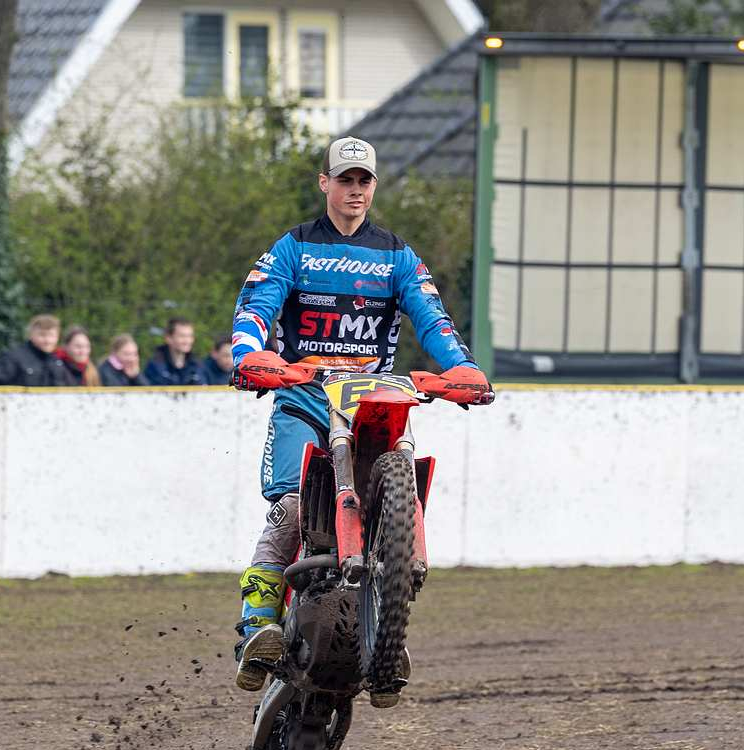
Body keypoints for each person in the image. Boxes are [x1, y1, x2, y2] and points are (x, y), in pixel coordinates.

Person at [228, 135, 493, 702]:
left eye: (363, 180)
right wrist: (250, 354)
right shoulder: (294, 248)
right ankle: (257, 625)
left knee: (402, 496)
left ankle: (386, 630)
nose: (354, 189)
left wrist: (462, 370)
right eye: (344, 178)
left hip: (374, 401)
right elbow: (255, 307)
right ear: (324, 182)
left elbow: (433, 321)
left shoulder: (397, 255)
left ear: (374, 186)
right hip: (304, 396)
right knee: (292, 510)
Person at [0, 314, 72, 387]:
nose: (47, 340)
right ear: (31, 334)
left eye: (51, 335)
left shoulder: (57, 362)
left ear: (58, 337)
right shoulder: (14, 358)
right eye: (42, 335)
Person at [143, 318, 203, 385]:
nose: (187, 341)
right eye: (182, 336)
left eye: (190, 336)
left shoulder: (197, 366)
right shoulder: (155, 366)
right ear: (168, 338)